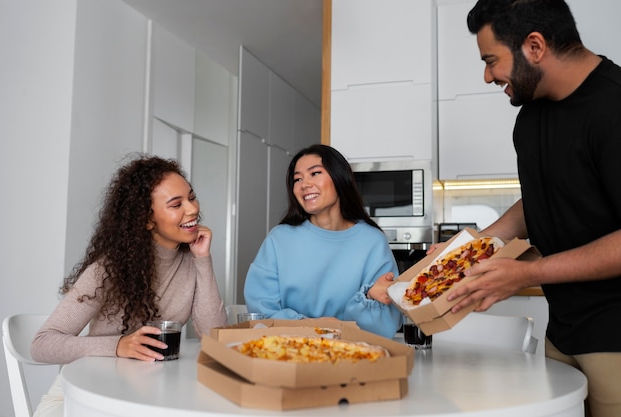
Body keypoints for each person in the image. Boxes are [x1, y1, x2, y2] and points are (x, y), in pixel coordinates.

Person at [439, 1, 621, 416]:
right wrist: (474, 247)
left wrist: (527, 273)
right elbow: (543, 195)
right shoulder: (531, 114)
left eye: (491, 60)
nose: (487, 75)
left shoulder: (613, 108)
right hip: (564, 328)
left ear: (534, 46)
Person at [31, 154, 227, 417]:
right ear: (147, 219)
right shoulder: (108, 269)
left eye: (191, 198)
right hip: (84, 398)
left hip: (148, 396)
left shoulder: (192, 258)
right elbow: (42, 344)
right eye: (176, 204)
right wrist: (118, 345)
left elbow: (215, 336)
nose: (192, 209)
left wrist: (203, 260)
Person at [243, 144, 402, 338]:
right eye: (297, 179)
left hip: (353, 357)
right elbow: (261, 312)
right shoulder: (279, 239)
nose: (304, 184)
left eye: (315, 173)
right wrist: (313, 326)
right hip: (289, 355)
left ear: (339, 178)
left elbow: (386, 325)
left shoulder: (372, 241)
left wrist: (370, 296)